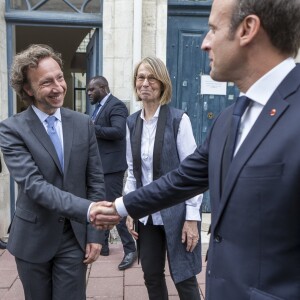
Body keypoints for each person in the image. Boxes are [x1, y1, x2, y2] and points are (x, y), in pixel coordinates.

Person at [90, 0, 300, 299]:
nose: (204, 43)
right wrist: (120, 207)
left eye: (213, 29)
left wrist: (189, 218)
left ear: (248, 29)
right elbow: (181, 179)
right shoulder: (229, 119)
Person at [0, 44, 120, 300]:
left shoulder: (82, 123)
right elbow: (35, 186)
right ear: (28, 89)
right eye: (46, 82)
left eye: (60, 77)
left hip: (73, 236)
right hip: (33, 236)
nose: (58, 87)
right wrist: (89, 210)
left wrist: (95, 232)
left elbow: (95, 180)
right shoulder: (12, 129)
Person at [124, 56, 202, 300]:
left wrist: (192, 218)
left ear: (162, 83)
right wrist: (129, 208)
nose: (145, 83)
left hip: (178, 214)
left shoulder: (179, 120)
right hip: (147, 216)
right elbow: (132, 171)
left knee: (185, 278)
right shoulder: (131, 123)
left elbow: (194, 173)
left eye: (151, 77)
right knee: (151, 275)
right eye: (140, 77)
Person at [86, 76, 137, 270]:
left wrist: (92, 127)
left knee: (117, 207)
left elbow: (118, 131)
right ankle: (104, 245)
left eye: (92, 90)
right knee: (104, 203)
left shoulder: (116, 106)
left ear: (103, 87)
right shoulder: (99, 107)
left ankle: (130, 248)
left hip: (113, 167)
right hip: (101, 166)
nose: (89, 93)